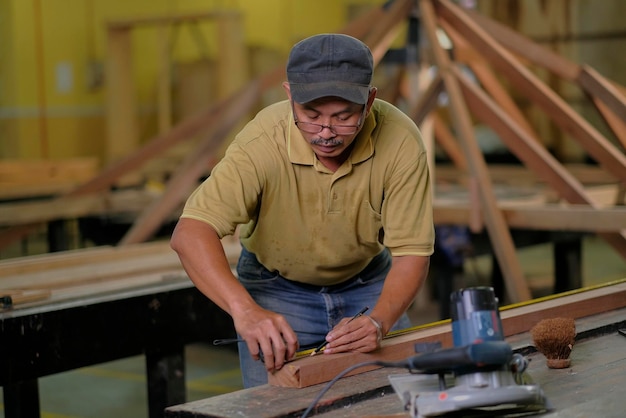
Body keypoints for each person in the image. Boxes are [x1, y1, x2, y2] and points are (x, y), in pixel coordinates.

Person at [170, 33, 434, 388]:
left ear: (369, 101)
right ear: (289, 95)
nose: (326, 133)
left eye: (343, 117)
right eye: (311, 115)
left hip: (368, 284)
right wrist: (245, 311)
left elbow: (412, 253)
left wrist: (379, 320)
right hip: (276, 288)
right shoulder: (262, 142)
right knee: (278, 409)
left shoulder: (400, 140)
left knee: (394, 399)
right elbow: (190, 233)